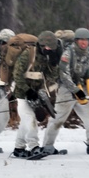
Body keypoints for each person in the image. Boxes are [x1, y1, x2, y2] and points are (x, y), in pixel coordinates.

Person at [40, 27, 89, 155]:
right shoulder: (68, 53)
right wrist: (75, 90)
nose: (84, 42)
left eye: (86, 40)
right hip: (67, 89)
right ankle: (47, 146)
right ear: (76, 41)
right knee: (58, 118)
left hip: (83, 87)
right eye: (81, 40)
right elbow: (64, 74)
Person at [10, 30, 62, 158]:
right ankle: (34, 147)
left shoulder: (47, 57)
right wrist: (27, 90)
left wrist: (54, 64)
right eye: (47, 47)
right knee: (30, 119)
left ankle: (19, 148)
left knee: (25, 121)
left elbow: (51, 77)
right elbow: (17, 74)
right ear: (41, 45)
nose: (49, 49)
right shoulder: (28, 54)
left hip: (36, 93)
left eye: (51, 48)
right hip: (22, 93)